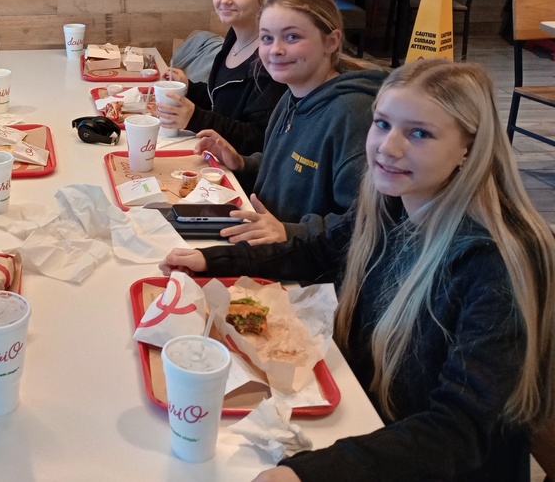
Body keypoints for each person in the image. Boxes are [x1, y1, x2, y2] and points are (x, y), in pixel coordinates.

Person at [160, 59, 555, 482]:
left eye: (419, 133)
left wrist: (307, 475)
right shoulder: (391, 201)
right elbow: (316, 251)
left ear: (469, 148)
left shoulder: (498, 262)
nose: (389, 147)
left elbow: (462, 429)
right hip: (363, 419)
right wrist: (212, 260)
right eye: (383, 124)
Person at [201, 0, 386, 244]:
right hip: (268, 244)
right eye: (267, 38)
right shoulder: (292, 94)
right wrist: (244, 164)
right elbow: (288, 168)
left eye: (291, 38)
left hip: (309, 268)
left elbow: (367, 222)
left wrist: (291, 232)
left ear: (331, 41)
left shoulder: (351, 113)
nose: (275, 50)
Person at [157, 0, 288, 155]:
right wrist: (189, 88)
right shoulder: (233, 37)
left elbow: (259, 139)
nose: (224, 0)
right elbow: (220, 100)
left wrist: (195, 118)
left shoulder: (271, 60)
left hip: (238, 177)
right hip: (212, 157)